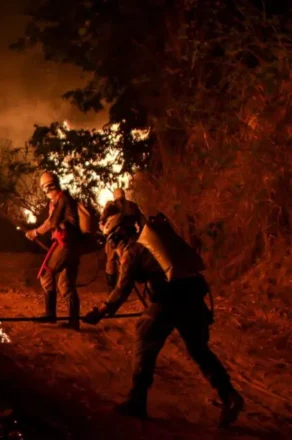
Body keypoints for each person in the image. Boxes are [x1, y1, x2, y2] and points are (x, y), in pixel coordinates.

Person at [82, 214, 244, 427]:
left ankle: (137, 401)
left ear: (121, 232)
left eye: (112, 239)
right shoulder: (154, 243)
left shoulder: (133, 251)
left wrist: (100, 311)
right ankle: (230, 396)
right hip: (194, 300)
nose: (112, 244)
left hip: (168, 301)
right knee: (200, 351)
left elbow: (122, 289)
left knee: (144, 339)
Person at [26, 171, 82, 330]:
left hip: (66, 245)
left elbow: (52, 222)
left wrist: (35, 232)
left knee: (46, 274)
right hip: (73, 246)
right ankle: (74, 322)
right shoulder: (61, 200)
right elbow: (53, 221)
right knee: (66, 284)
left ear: (47, 187)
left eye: (45, 188)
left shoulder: (62, 199)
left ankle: (50, 314)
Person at [100, 188, 147, 288]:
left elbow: (102, 223)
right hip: (131, 237)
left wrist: (106, 233)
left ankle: (112, 287)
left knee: (111, 260)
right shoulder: (132, 206)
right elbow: (142, 223)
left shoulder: (110, 206)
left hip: (114, 239)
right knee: (131, 258)